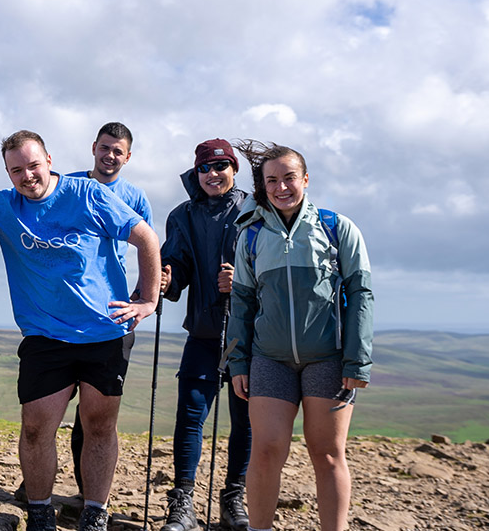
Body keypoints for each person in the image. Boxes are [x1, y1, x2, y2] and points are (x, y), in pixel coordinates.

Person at [0, 130, 161, 531]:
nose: (27, 176)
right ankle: (40, 514)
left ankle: (95, 513)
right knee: (36, 426)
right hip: (45, 338)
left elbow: (145, 235)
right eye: (16, 170)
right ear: (8, 173)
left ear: (49, 160)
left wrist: (148, 301)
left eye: (33, 165)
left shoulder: (86, 194)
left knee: (98, 426)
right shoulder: (3, 204)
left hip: (103, 332)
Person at [226, 141, 374, 531]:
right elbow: (241, 303)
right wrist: (238, 362)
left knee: (327, 454)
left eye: (289, 178)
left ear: (305, 179)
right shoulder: (252, 236)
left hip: (328, 358)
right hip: (269, 358)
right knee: (266, 450)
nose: (281, 187)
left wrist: (357, 359)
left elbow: (361, 294)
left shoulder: (337, 228)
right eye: (271, 180)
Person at [158, 139, 251, 531]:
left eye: (221, 167)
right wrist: (167, 276)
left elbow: (272, 265)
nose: (213, 175)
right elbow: (177, 263)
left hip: (250, 334)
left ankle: (234, 498)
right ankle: (183, 502)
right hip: (204, 330)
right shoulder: (182, 215)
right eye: (206, 169)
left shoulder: (256, 209)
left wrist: (243, 281)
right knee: (191, 414)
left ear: (234, 169)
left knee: (245, 419)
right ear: (196, 173)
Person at [62, 121, 154, 496]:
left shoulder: (134, 196)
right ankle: (34, 480)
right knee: (44, 411)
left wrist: (144, 296)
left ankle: (87, 496)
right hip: (63, 315)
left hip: (112, 316)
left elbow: (149, 246)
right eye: (105, 148)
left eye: (118, 151)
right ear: (93, 148)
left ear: (128, 156)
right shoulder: (65, 185)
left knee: (93, 416)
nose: (110, 155)